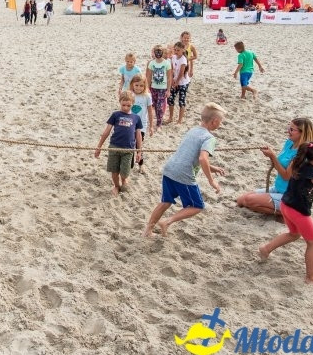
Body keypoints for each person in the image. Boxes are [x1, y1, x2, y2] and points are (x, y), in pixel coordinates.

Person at [259, 140, 313, 287]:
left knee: (294, 234)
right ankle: (311, 277)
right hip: (299, 211)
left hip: (285, 205)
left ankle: (266, 249)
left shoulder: (298, 163)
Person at [143, 103, 227, 237]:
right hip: (184, 174)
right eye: (220, 122)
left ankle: (148, 230)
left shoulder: (193, 130)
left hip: (170, 169)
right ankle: (167, 221)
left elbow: (189, 155)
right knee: (197, 206)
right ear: (214, 121)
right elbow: (202, 159)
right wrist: (211, 181)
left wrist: (212, 168)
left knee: (166, 201)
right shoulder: (209, 138)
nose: (220, 124)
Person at [236, 118, 313, 216]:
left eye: (292, 129)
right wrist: (272, 156)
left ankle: (288, 214)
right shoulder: (289, 143)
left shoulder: (301, 154)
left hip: (289, 195)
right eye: (289, 128)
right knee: (241, 200)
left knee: (249, 201)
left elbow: (286, 176)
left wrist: (273, 156)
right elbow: (280, 163)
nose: (288, 131)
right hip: (278, 188)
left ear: (302, 133)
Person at [95, 90, 143, 195]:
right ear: (120, 102)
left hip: (128, 149)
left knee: (124, 173)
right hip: (114, 147)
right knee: (114, 172)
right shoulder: (115, 115)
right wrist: (99, 146)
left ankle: (124, 179)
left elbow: (138, 136)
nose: (125, 108)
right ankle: (116, 186)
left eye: (128, 105)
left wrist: (139, 152)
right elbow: (106, 131)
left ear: (132, 104)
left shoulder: (136, 118)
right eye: (123, 105)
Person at [146, 44, 171, 129]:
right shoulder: (151, 63)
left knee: (159, 106)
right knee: (152, 105)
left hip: (162, 89)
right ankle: (151, 121)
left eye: (160, 51)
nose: (158, 53)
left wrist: (168, 90)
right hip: (153, 88)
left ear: (163, 52)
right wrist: (147, 88)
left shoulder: (167, 63)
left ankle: (159, 123)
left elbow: (169, 77)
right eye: (156, 51)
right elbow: (148, 77)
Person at [166, 41, 191, 125]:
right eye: (175, 50)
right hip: (175, 81)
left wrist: (176, 82)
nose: (176, 52)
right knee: (170, 99)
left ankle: (180, 120)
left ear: (183, 50)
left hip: (183, 83)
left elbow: (181, 73)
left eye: (178, 50)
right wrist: (173, 79)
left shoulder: (183, 59)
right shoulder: (173, 57)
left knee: (181, 100)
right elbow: (172, 69)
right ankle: (170, 117)